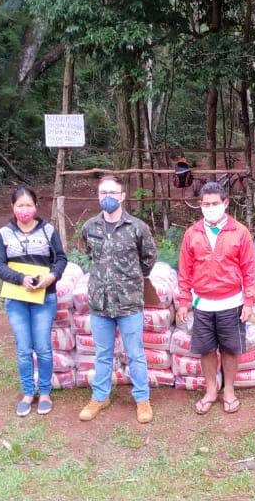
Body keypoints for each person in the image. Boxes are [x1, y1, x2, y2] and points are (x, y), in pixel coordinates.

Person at [78, 175, 157, 423]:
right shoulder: (90, 227)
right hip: (100, 303)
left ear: (123, 196)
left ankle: (142, 399)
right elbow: (89, 253)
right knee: (103, 353)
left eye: (113, 193)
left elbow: (149, 257)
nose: (108, 197)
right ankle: (100, 397)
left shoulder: (137, 227)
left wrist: (132, 279)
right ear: (98, 196)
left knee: (135, 353)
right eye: (103, 193)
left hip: (129, 302)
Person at [177, 181, 255, 414]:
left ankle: (229, 389)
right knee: (206, 349)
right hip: (202, 302)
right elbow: (185, 270)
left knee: (231, 349)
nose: (210, 207)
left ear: (225, 203)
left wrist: (249, 301)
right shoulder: (192, 234)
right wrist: (184, 300)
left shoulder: (239, 232)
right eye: (206, 204)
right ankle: (211, 389)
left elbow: (248, 270)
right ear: (200, 205)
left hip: (231, 302)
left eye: (215, 203)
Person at [0, 185, 67, 417]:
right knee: (24, 348)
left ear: (36, 206)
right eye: (20, 205)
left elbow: (61, 259)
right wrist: (20, 278)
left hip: (45, 297)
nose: (24, 209)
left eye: (28, 205)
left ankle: (44, 392)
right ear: (12, 207)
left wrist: (51, 277)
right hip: (17, 299)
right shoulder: (4, 233)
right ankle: (27, 392)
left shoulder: (48, 231)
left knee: (43, 347)